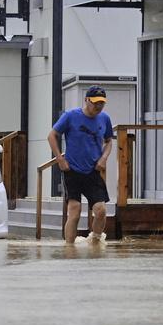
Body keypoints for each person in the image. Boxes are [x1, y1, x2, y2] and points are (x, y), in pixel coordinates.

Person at [48, 85, 114, 245]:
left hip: (93, 171)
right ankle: (69, 248)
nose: (98, 106)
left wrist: (104, 158)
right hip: (72, 170)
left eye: (101, 103)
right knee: (75, 211)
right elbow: (52, 135)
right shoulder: (71, 116)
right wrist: (60, 159)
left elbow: (109, 141)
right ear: (86, 100)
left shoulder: (105, 118)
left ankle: (95, 242)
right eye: (95, 102)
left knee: (100, 210)